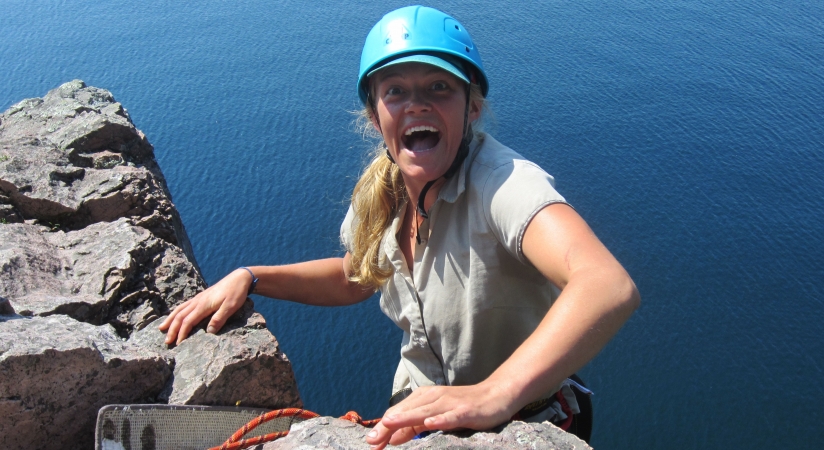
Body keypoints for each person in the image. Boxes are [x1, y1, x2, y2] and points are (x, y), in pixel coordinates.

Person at [160, 5, 640, 449]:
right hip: (422, 413)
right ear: (374, 116)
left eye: (439, 87)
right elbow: (358, 275)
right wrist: (253, 278)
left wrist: (495, 392)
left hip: (522, 420)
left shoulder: (504, 184)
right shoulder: (383, 192)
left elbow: (606, 283)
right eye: (396, 91)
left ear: (472, 107)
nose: (417, 105)